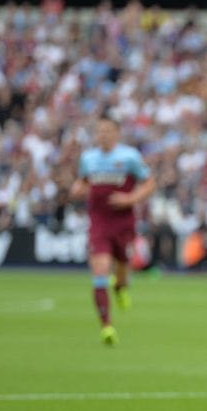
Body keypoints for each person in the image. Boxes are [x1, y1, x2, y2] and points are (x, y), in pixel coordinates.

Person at [70, 115, 156, 345]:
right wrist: (76, 189)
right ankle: (106, 326)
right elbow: (83, 182)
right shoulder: (88, 159)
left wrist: (130, 198)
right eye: (99, 131)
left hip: (124, 223)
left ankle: (120, 288)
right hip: (99, 222)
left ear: (116, 133)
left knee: (121, 268)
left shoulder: (129, 157)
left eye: (107, 131)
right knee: (100, 270)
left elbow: (149, 183)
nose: (103, 135)